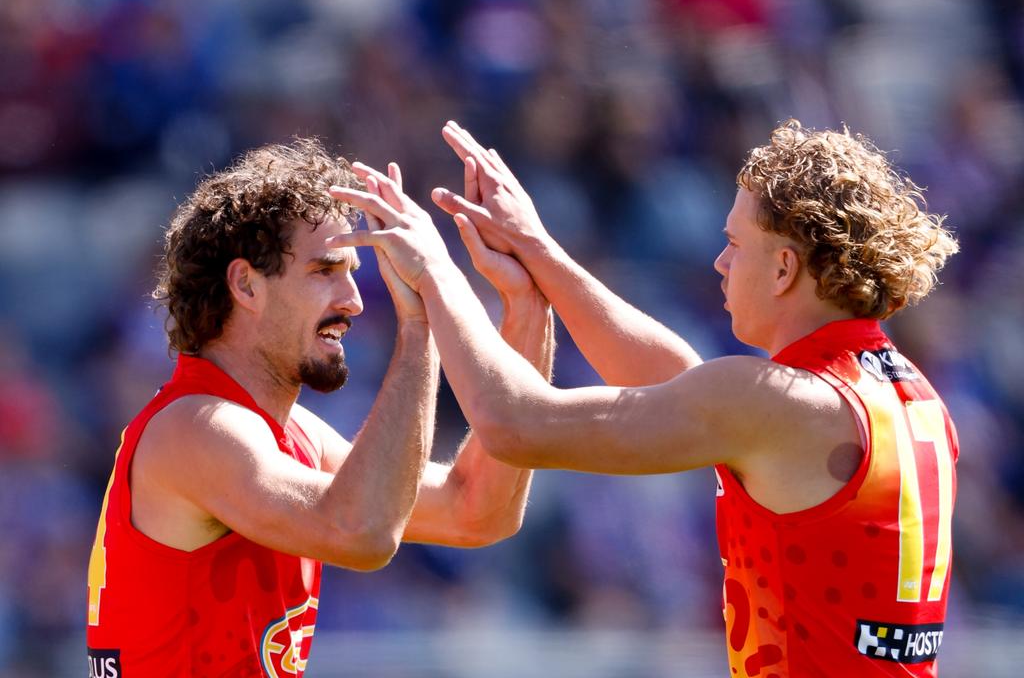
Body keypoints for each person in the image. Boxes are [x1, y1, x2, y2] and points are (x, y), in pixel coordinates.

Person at [330, 119, 960, 677]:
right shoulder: (905, 393)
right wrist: (539, 252)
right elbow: (678, 383)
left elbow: (515, 424)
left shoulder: (775, 404)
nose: (718, 262)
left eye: (736, 244)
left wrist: (436, 274)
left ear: (784, 269)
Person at [85, 138, 553, 677]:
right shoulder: (197, 428)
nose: (354, 299)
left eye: (352, 271)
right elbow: (361, 532)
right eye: (325, 270)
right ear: (246, 284)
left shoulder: (285, 431)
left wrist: (528, 306)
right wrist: (419, 325)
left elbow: (477, 511)